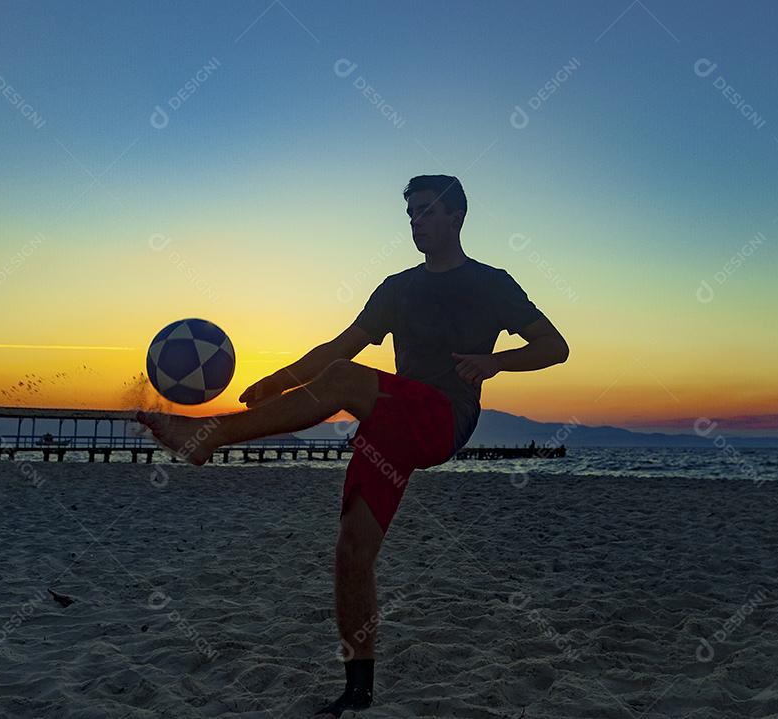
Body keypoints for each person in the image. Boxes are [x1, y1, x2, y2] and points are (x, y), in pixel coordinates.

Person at [136, 174, 570, 717]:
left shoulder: (492, 283)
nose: (416, 221)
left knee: (343, 379)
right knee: (351, 551)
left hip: (443, 416)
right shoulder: (397, 288)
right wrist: (280, 381)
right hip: (390, 417)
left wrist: (495, 362)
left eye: (427, 211)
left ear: (456, 216)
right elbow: (339, 346)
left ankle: (206, 439)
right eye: (410, 213)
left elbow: (556, 346)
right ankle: (358, 693)